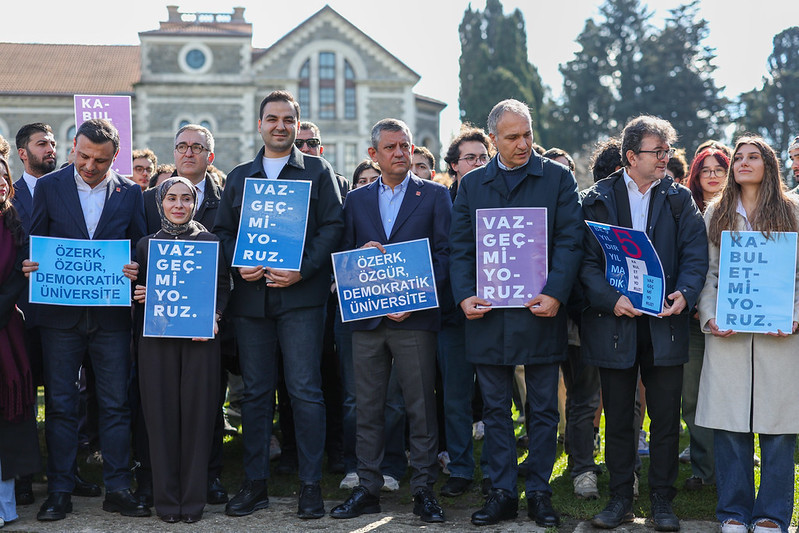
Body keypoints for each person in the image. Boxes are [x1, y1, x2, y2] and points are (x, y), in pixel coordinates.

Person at [449, 99, 582, 527]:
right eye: (512, 137)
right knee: (494, 410)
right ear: (493, 140)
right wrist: (465, 295)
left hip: (540, 310)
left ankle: (539, 490)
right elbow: (461, 247)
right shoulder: (471, 186)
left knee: (543, 408)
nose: (524, 144)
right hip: (487, 315)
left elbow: (570, 241)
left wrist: (556, 293)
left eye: (527, 134)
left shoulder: (558, 178)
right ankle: (502, 491)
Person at [214, 90, 343, 520]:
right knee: (254, 394)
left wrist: (302, 270)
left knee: (305, 390)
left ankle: (310, 485)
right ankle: (255, 484)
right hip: (252, 302)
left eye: (288, 119)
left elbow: (333, 226)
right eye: (272, 119)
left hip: (301, 299)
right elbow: (223, 231)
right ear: (260, 125)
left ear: (297, 124)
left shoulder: (318, 172)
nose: (280, 126)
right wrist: (239, 263)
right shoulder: (239, 176)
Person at [580, 116, 708, 530]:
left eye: (667, 151)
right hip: (614, 323)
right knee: (618, 417)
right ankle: (620, 499)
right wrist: (609, 299)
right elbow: (585, 262)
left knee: (666, 419)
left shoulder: (679, 198)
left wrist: (686, 293)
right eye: (658, 152)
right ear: (631, 156)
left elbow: (694, 255)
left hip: (664, 324)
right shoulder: (596, 198)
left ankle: (662, 502)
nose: (665, 159)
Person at [25, 118, 148, 521]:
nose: (89, 166)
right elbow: (35, 239)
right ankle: (59, 489)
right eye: (82, 156)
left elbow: (140, 245)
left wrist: (135, 269)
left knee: (115, 405)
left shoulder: (130, 192)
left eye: (99, 159)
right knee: (60, 405)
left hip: (111, 318)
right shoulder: (49, 186)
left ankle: (118, 487)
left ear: (115, 156)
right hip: (59, 318)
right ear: (72, 147)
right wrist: (31, 265)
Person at [329, 118, 450, 523]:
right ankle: (367, 488)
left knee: (420, 406)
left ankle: (423, 492)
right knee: (367, 406)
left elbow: (447, 255)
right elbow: (342, 254)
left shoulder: (434, 195)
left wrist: (415, 297)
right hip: (366, 320)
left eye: (406, 146)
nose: (401, 153)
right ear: (373, 155)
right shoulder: (356, 200)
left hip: (414, 319)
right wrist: (361, 255)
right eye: (392, 147)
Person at [696, 136, 799, 533]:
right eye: (738, 157)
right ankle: (734, 513)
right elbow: (709, 274)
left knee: (778, 430)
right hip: (730, 334)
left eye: (752, 157)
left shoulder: (793, 213)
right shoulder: (716, 213)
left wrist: (793, 315)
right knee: (730, 427)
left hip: (781, 336)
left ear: (768, 165)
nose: (742, 162)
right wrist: (710, 316)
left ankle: (772, 515)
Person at [133, 177, 229, 523]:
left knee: (198, 418)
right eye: (171, 198)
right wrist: (138, 293)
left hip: (200, 341)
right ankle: (166, 502)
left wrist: (214, 316)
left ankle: (192, 502)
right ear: (160, 204)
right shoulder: (145, 246)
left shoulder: (210, 242)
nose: (178, 205)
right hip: (155, 342)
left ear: (194, 203)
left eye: (185, 199)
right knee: (159, 418)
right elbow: (135, 291)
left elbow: (222, 286)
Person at [437, 125, 491, 499]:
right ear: (454, 165)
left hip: (494, 312)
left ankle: (493, 470)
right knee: (455, 397)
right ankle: (460, 468)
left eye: (483, 157)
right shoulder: (438, 202)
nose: (478, 162)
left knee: (493, 399)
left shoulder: (500, 197)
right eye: (470, 157)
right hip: (452, 316)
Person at [679, 146, 730, 492]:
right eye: (705, 170)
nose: (712, 175)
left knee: (730, 397)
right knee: (693, 397)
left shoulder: (747, 212)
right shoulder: (685, 211)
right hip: (691, 321)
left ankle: (730, 469)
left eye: (719, 169)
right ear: (695, 176)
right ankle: (703, 470)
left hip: (735, 322)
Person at [0, 155, 40, 529]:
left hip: (5, 330)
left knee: (6, 413)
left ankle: (4, 506)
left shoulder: (15, 225)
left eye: (3, 177)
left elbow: (19, 272)